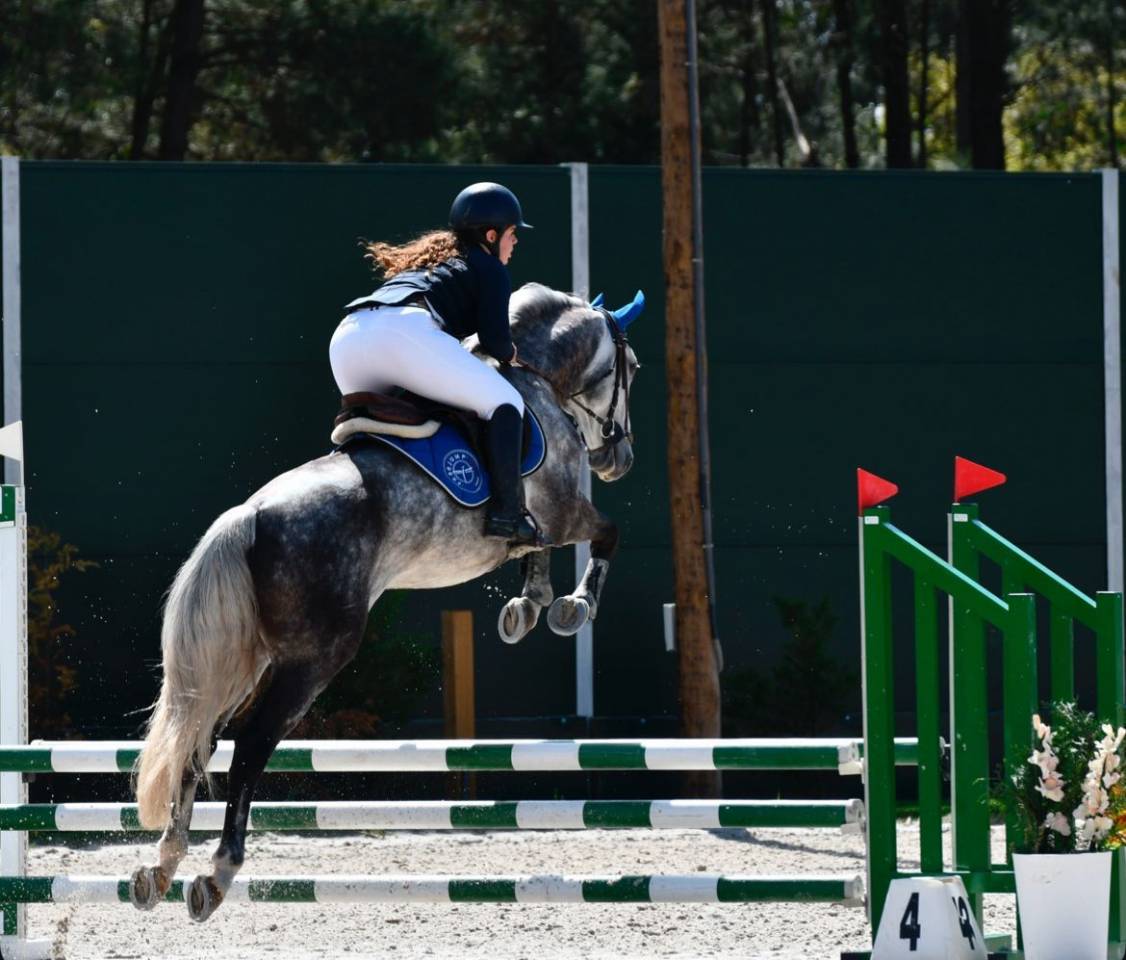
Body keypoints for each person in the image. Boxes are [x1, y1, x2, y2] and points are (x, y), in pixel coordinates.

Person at [330, 182, 546, 548]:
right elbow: (494, 343)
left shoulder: (435, 263)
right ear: (490, 236)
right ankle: (507, 514)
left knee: (379, 424)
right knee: (506, 403)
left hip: (348, 339)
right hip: (401, 333)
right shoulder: (490, 268)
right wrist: (513, 355)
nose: (515, 242)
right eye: (512, 233)